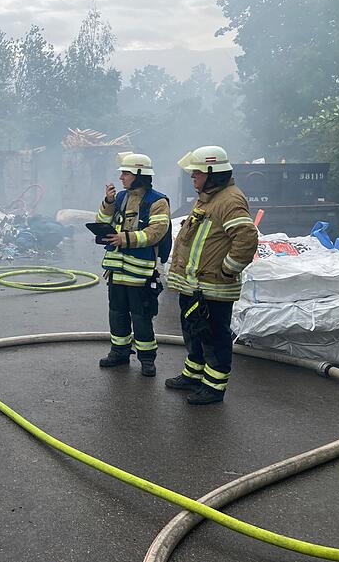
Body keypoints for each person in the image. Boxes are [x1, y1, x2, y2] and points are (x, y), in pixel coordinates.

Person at [165, 145, 259, 405]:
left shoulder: (229, 200)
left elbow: (247, 237)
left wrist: (228, 268)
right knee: (195, 332)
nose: (192, 177)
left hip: (214, 287)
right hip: (197, 286)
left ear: (211, 172)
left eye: (196, 173)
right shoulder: (209, 196)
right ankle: (193, 376)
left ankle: (214, 388)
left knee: (214, 337)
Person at [96, 152, 171, 377]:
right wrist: (108, 203)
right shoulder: (119, 198)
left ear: (139, 174)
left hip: (140, 272)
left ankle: (147, 359)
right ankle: (119, 352)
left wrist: (125, 239)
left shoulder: (157, 201)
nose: (121, 178)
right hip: (117, 271)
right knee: (117, 314)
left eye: (126, 173)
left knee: (141, 317)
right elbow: (102, 221)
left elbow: (156, 233)